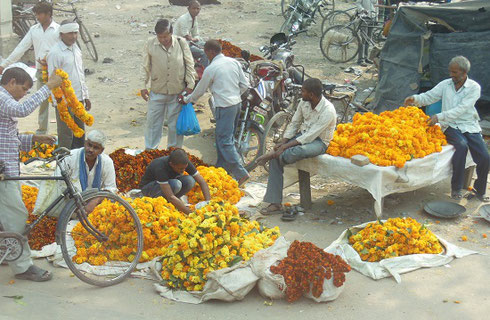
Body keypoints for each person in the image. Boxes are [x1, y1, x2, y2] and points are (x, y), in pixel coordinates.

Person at [0, 67, 62, 282]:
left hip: (8, 168)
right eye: (24, 89)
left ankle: (9, 251)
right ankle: (23, 266)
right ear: (12, 82)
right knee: (17, 217)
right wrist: (48, 87)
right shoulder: (2, 97)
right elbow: (22, 110)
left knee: (7, 218)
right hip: (4, 172)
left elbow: (8, 137)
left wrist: (34, 140)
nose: (24, 94)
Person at [404, 56, 489, 201]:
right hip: (450, 125)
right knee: (461, 146)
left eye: (454, 72)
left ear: (464, 72)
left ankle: (479, 191)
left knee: (485, 157)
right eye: (450, 71)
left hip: (468, 124)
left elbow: (461, 109)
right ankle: (456, 188)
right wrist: (415, 99)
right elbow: (430, 97)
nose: (451, 75)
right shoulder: (446, 84)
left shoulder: (474, 88)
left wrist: (438, 116)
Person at [256, 78, 337, 215]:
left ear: (311, 94)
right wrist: (284, 141)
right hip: (302, 135)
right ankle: (275, 203)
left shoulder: (328, 110)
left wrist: (285, 147)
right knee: (277, 157)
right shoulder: (303, 103)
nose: (301, 93)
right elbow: (295, 123)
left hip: (319, 142)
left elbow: (311, 136)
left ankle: (273, 154)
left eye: (303, 91)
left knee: (297, 151)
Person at [184, 40, 250, 186]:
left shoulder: (211, 68)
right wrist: (235, 95)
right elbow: (245, 85)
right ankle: (221, 169)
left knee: (225, 140)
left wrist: (187, 100)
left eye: (206, 53)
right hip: (236, 104)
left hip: (224, 106)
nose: (205, 56)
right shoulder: (233, 62)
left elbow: (200, 90)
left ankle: (241, 173)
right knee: (224, 138)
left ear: (211, 52)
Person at [0, 1, 59, 135]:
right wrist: (5, 64)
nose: (37, 17)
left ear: (48, 14)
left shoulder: (58, 30)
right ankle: (42, 132)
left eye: (39, 14)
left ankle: (64, 131)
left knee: (60, 102)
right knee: (42, 101)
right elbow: (21, 48)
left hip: (57, 73)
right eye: (36, 14)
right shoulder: (34, 30)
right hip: (41, 71)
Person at [141, 19, 195, 150]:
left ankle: (174, 153)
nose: (163, 39)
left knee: (174, 125)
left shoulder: (181, 43)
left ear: (171, 33)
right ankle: (151, 151)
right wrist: (143, 86)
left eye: (165, 36)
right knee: (153, 124)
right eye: (160, 37)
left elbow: (189, 64)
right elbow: (145, 66)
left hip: (177, 91)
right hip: (157, 90)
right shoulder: (150, 43)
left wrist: (190, 85)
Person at [47, 19, 91, 150]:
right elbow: (53, 79)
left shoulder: (76, 49)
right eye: (70, 33)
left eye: (75, 33)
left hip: (78, 99)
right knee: (66, 136)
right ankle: (64, 163)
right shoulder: (55, 53)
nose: (74, 36)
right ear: (61, 34)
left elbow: (80, 74)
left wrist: (85, 96)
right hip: (64, 101)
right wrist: (58, 102)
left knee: (80, 134)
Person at [139, 148, 211, 214]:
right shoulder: (160, 167)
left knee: (190, 181)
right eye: (180, 169)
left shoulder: (184, 163)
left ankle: (175, 203)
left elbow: (202, 181)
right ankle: (166, 202)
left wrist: (209, 203)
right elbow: (170, 196)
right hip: (148, 188)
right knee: (176, 184)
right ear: (171, 164)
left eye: (184, 168)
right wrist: (190, 213)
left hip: (167, 187)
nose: (183, 171)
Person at [173, 0, 209, 67]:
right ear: (188, 9)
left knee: (209, 46)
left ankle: (201, 64)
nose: (196, 10)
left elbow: (196, 34)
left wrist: (195, 39)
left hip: (189, 42)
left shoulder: (194, 18)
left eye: (198, 8)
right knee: (204, 53)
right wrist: (194, 39)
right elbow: (187, 36)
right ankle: (201, 70)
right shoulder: (183, 19)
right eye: (193, 8)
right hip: (181, 45)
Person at [356, 0, 378, 66]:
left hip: (372, 17)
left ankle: (365, 57)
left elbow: (376, 6)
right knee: (363, 39)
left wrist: (376, 18)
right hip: (364, 18)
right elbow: (358, 3)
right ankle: (360, 59)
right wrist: (362, 9)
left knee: (368, 39)